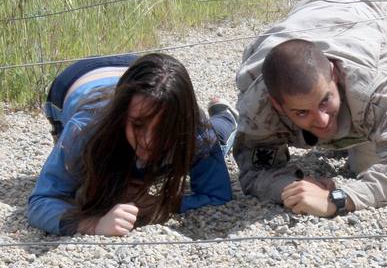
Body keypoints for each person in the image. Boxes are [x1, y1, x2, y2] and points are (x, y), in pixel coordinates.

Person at [232, 0, 387, 217]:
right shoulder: (258, 102)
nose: (322, 120)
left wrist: (340, 198)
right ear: (277, 105)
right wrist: (293, 187)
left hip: (381, 10)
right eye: (302, 112)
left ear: (334, 75)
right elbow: (254, 171)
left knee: (367, 166)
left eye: (325, 101)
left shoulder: (376, 85)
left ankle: (357, 131)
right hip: (310, 10)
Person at [27, 53, 236, 237]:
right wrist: (94, 224)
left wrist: (159, 203)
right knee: (83, 182)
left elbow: (217, 195)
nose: (149, 141)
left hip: (139, 71)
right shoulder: (84, 129)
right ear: (121, 116)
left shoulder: (195, 130)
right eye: (138, 125)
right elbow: (41, 201)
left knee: (215, 139)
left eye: (164, 130)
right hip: (74, 79)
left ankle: (225, 118)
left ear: (181, 123)